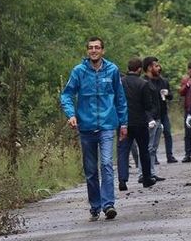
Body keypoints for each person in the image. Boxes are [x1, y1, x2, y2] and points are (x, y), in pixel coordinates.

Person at [60, 37, 128, 221]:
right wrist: (71, 114)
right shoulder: (79, 71)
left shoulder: (112, 70)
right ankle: (95, 206)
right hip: (86, 127)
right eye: (90, 48)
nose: (94, 50)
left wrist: (123, 123)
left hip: (107, 125)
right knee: (90, 170)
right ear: (87, 51)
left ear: (103, 51)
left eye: (97, 47)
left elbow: (120, 98)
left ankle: (108, 205)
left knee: (106, 164)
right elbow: (66, 95)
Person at [117, 58, 159, 190]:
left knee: (123, 151)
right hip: (140, 122)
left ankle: (123, 180)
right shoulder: (143, 84)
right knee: (144, 150)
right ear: (139, 69)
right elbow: (147, 105)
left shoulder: (120, 83)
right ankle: (146, 178)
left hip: (123, 122)